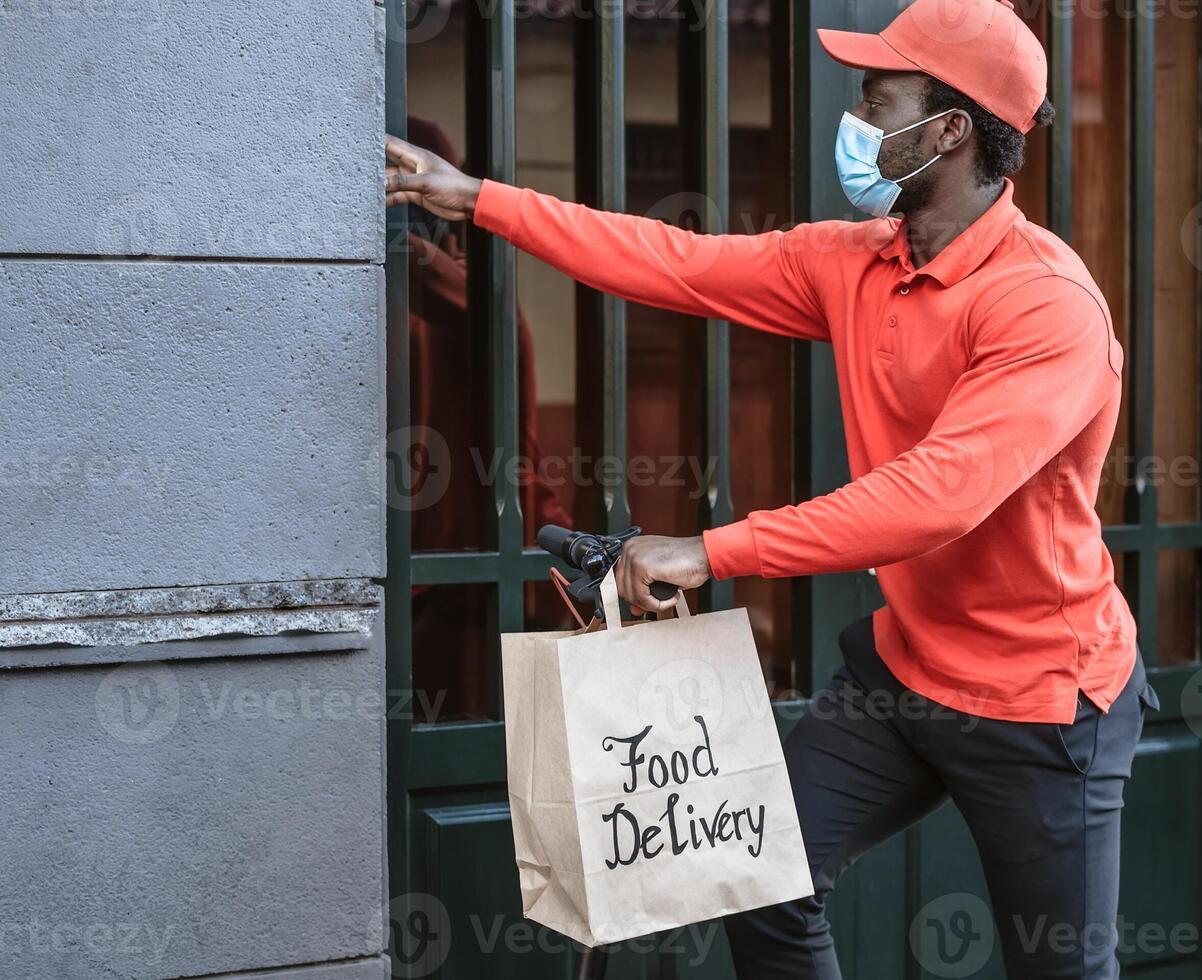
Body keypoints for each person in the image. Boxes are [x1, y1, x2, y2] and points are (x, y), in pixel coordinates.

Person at [386, 0, 1155, 975]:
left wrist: (711, 548)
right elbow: (675, 262)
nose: (860, 115)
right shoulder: (856, 260)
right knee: (757, 871)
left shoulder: (1045, 303)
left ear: (950, 129)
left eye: (881, 97)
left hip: (1042, 700)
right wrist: (480, 199)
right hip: (906, 672)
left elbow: (937, 495)